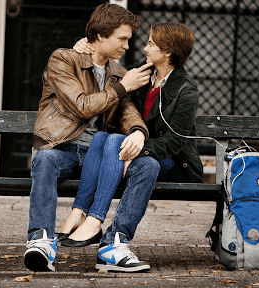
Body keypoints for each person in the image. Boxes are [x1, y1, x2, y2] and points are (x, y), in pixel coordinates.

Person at [57, 22, 204, 270]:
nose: (145, 48)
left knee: (142, 161)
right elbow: (108, 90)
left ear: (167, 51)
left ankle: (106, 229)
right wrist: (83, 50)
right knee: (104, 138)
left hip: (172, 161)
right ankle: (95, 227)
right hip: (136, 154)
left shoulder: (186, 90)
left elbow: (175, 141)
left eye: (150, 43)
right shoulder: (142, 76)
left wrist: (139, 149)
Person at [24, 3, 154, 273]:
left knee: (147, 166)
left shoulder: (119, 74)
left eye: (129, 40)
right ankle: (42, 241)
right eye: (122, 39)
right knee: (45, 159)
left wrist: (139, 132)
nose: (127, 46)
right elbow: (80, 105)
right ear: (100, 35)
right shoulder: (63, 60)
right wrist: (122, 87)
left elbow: (129, 113)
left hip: (102, 155)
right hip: (64, 150)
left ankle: (114, 243)